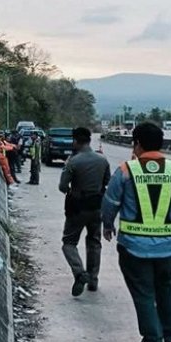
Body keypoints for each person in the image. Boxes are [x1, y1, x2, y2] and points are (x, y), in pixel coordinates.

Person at [101, 122, 171, 342]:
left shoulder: (126, 170)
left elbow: (110, 202)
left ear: (138, 144)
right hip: (167, 248)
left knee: (143, 293)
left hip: (134, 247)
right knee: (165, 286)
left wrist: (107, 224)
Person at [58, 127, 111, 296]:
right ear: (89, 140)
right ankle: (93, 280)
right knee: (94, 242)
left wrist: (72, 190)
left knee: (69, 242)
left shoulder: (73, 161)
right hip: (97, 207)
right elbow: (107, 182)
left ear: (75, 141)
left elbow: (62, 187)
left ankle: (80, 273)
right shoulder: (102, 160)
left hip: (77, 208)